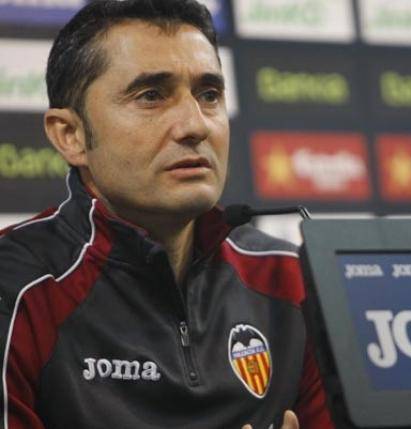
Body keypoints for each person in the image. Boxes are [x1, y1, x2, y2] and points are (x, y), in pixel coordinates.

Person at [0, 0, 334, 428]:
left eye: (209, 95)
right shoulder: (15, 289)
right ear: (71, 135)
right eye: (151, 96)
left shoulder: (290, 278)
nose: (195, 126)